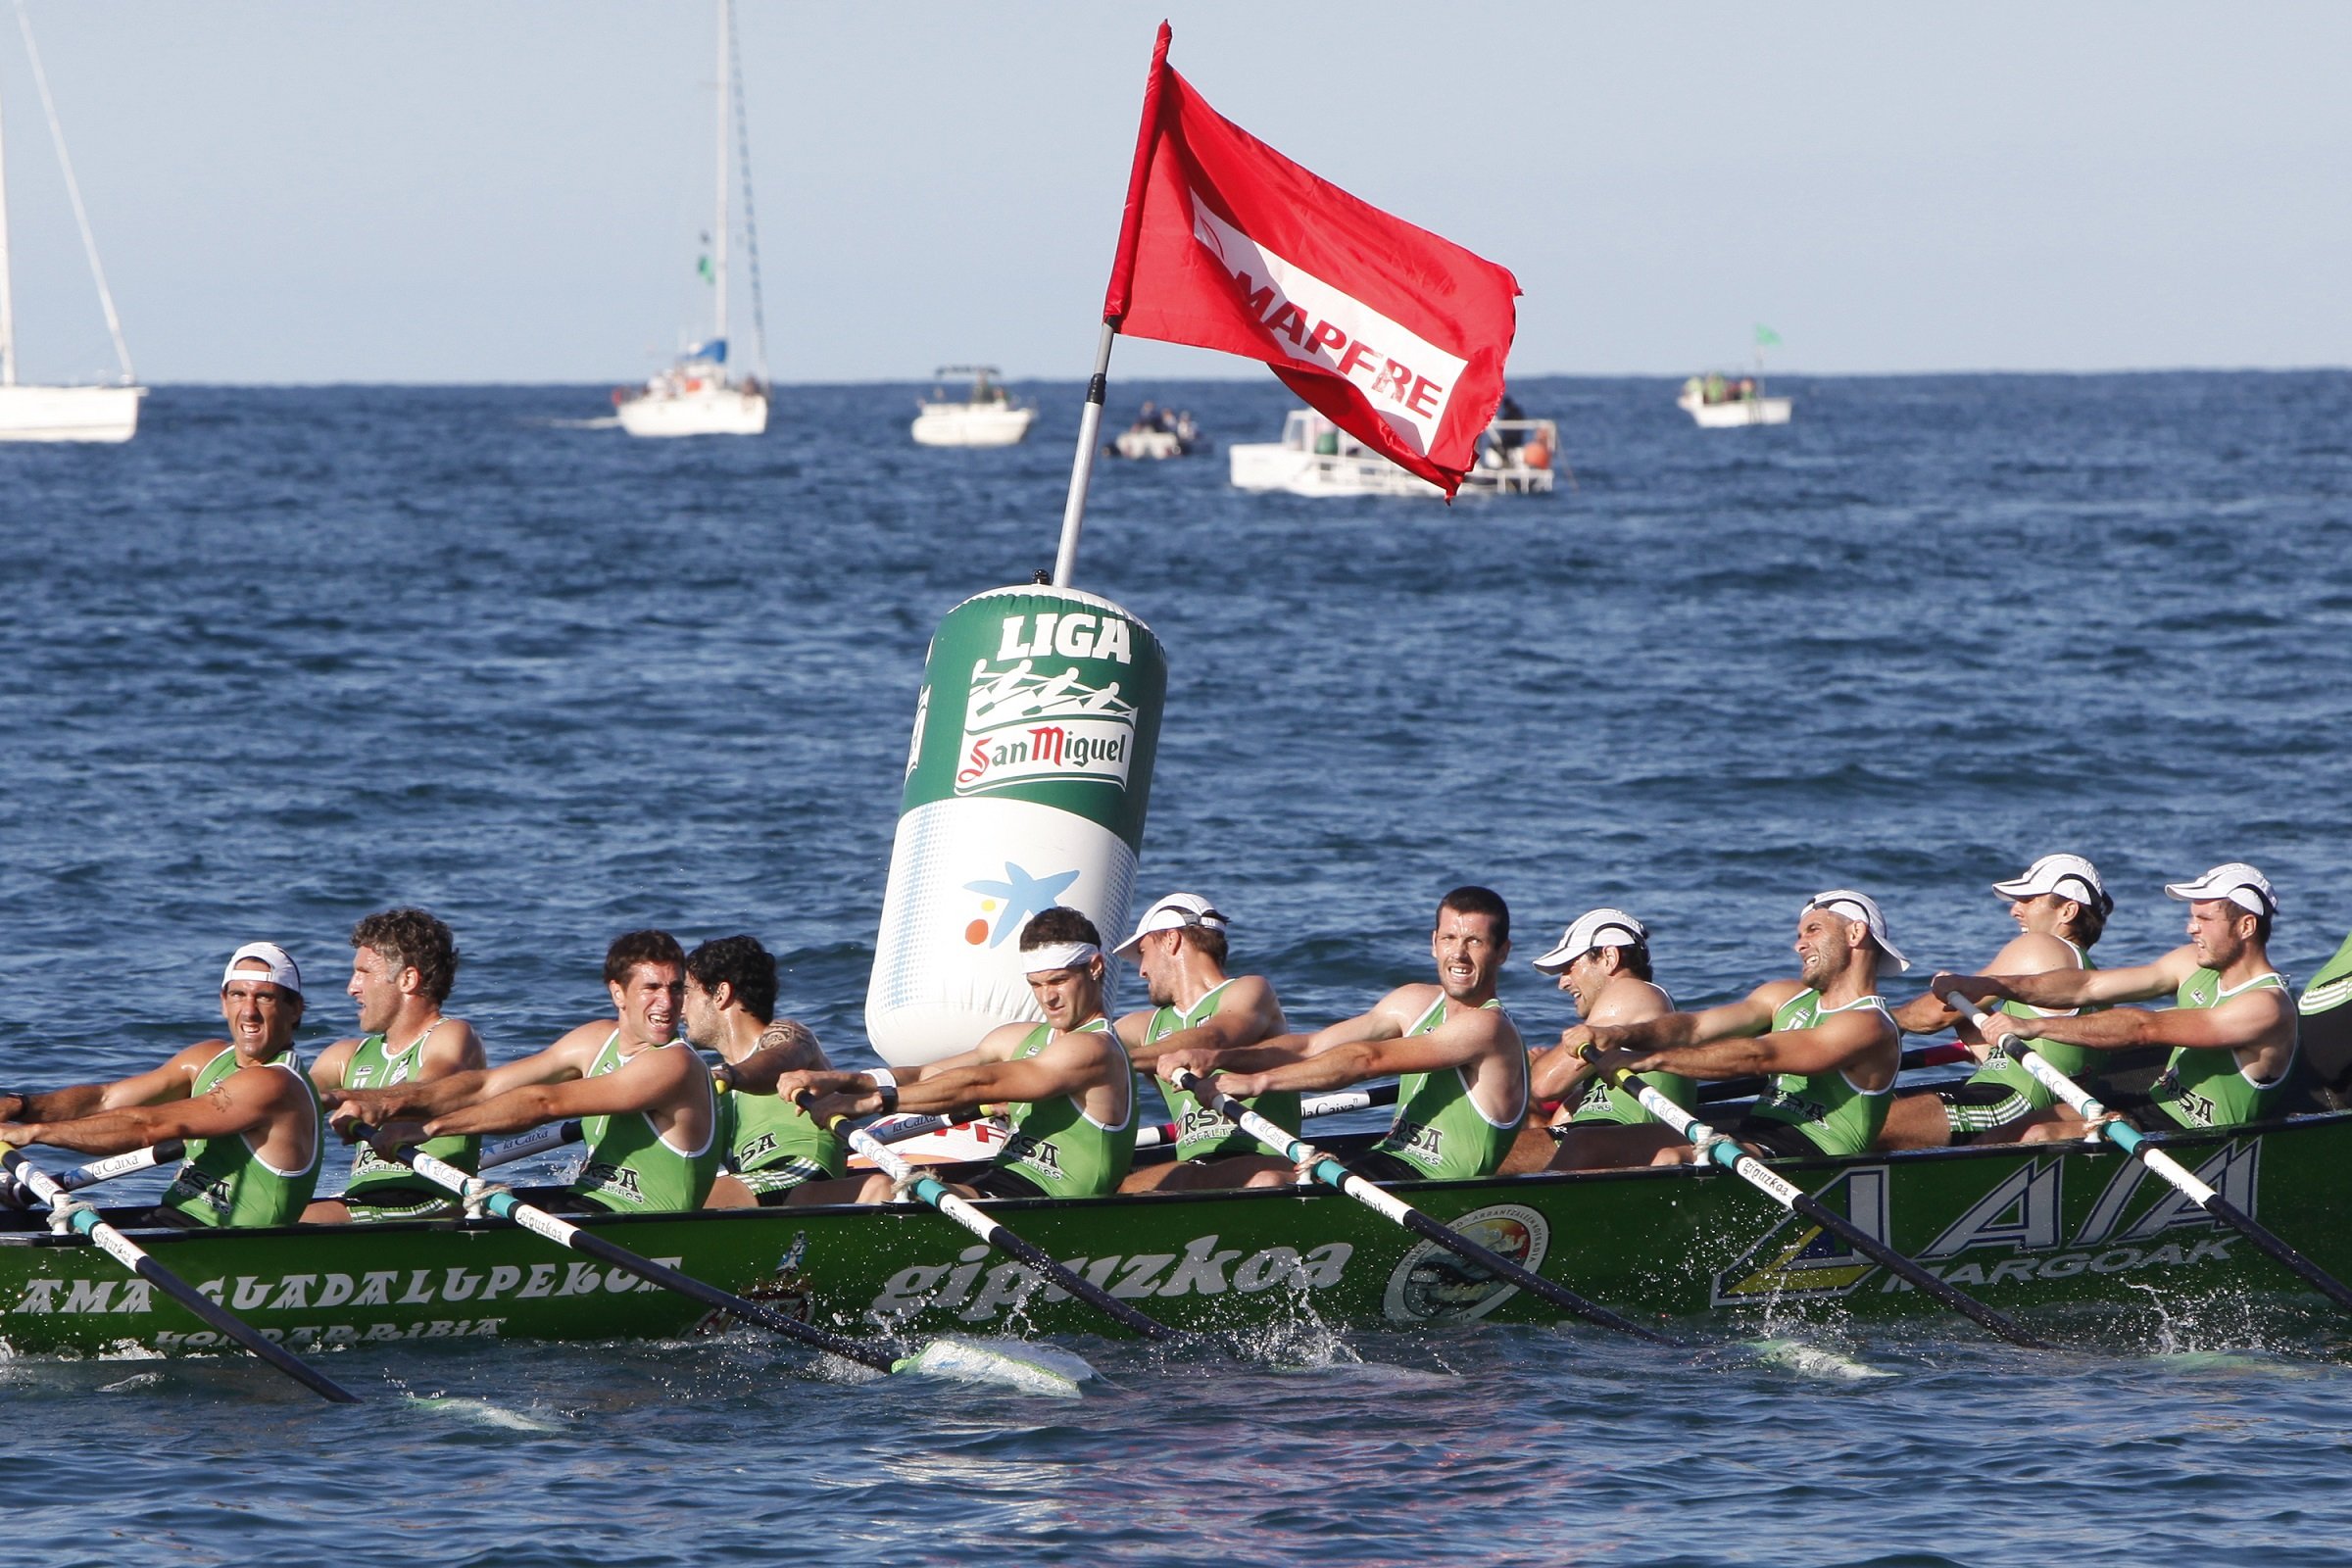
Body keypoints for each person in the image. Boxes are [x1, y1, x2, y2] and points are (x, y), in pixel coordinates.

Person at [325, 929, 720, 1214]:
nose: (667, 1003)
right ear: (618, 992)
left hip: (645, 1227)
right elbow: (484, 1086)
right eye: (651, 988)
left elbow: (545, 1102)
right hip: (590, 1204)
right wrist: (366, 1100)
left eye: (676, 989)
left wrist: (429, 1129)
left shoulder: (675, 1063)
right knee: (462, 1216)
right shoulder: (593, 1040)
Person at [1158, 886, 1527, 1188]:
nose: (1458, 953)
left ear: (1502, 952)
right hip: (1386, 1162)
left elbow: (1368, 1060)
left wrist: (1256, 1082)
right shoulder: (1413, 1002)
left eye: (1475, 942)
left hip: (1437, 1186)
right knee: (1270, 1179)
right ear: (1434, 943)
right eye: (1449, 938)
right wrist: (1218, 1058)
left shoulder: (1488, 1027)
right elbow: (1310, 1046)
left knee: (1271, 1183)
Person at [781, 907, 1136, 1204]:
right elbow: (926, 1075)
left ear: (1095, 967)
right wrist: (838, 1081)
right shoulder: (1019, 1037)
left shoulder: (1095, 1049)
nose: (1048, 998)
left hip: (1051, 1206)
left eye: (1058, 981)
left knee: (880, 1191)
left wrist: (869, 1104)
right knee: (806, 1195)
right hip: (1001, 1182)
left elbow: (979, 1084)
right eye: (1036, 985)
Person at [1936, 863, 2299, 1140]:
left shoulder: (2266, 1006)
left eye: (2204, 919)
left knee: (2038, 1137)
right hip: (2149, 1104)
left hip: (2196, 1137)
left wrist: (2035, 1026)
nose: (2192, 929)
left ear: (2246, 927)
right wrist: (1989, 985)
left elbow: (2145, 1028)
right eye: (2192, 918)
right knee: (2011, 1132)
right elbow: (2087, 987)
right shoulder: (2189, 962)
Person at [1569, 891, 1908, 1164]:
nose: (1799, 944)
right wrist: (1618, 1036)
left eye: (1813, 930)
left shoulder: (1870, 1024)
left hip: (1813, 1158)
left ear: (1855, 932)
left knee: (1672, 1159)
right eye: (1799, 934)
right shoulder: (1784, 996)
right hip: (1754, 1134)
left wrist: (1647, 1060)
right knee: (1594, 1144)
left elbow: (1758, 1056)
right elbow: (1694, 1027)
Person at [0, 943, 321, 1228]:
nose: (249, 1012)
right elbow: (103, 1099)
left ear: (294, 1009)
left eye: (264, 997)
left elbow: (148, 1127)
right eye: (238, 995)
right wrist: (21, 1106)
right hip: (174, 1221)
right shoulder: (204, 1058)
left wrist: (31, 1133)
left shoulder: (276, 1083)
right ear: (223, 1002)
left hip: (234, 1246)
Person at [1877, 855, 2115, 1151]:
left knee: (1867, 1126)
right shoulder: (2096, 984)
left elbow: (1934, 1016)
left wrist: (1874, 1020)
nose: (2015, 910)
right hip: (2025, 1097)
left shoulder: (2041, 947)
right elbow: (2014, 1052)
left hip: (2010, 1102)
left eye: (2027, 899)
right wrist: (1969, 1013)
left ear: (2067, 911)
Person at [302, 909, 487, 1223]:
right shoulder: (345, 1054)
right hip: (367, 1200)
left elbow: (430, 1090)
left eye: (363, 973)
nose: (352, 988)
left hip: (431, 1199)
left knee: (295, 1222)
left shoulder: (451, 1035)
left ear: (407, 979)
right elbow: (293, 1095)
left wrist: (343, 1098)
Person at [1106, 893, 1291, 1193]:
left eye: (1143, 952)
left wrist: (1117, 1061)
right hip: (1195, 1167)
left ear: (1170, 940)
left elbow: (1215, 1037)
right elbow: (1080, 1051)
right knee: (1109, 1190)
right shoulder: (1143, 1026)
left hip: (1262, 1159)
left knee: (1193, 1179)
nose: (1141, 971)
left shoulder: (1249, 991)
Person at [1523, 908, 1697, 1171]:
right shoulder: (1611, 1047)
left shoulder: (1635, 991)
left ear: (1609, 957)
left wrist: (1526, 1068)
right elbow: (1551, 1118)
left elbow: (1544, 1085)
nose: (1562, 982)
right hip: (1597, 1136)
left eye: (1570, 967)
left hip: (1620, 1139)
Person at [680, 934, 844, 1206]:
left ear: (720, 994)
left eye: (687, 992)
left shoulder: (788, 1036)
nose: (680, 1008)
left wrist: (728, 1076)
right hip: (756, 1184)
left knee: (691, 1199)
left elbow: (781, 1059)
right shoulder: (712, 1083)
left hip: (802, 1172)